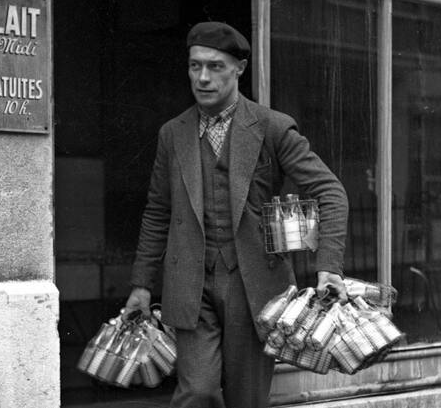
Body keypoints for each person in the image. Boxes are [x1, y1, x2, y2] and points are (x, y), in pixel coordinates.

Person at [125, 21, 349, 407]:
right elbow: (158, 212)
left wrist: (328, 267)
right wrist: (141, 284)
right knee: (197, 391)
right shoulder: (173, 134)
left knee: (247, 398)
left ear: (239, 69)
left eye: (215, 67)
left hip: (255, 287)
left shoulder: (272, 128)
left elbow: (331, 192)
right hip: (190, 284)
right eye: (195, 66)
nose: (203, 78)